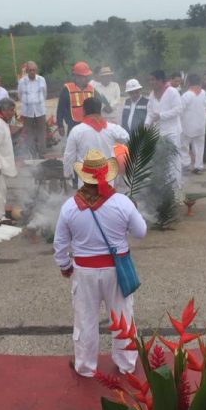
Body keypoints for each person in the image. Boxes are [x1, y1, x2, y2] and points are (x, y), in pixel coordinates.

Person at [53, 148, 147, 377]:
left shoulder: (69, 207)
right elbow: (140, 232)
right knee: (122, 315)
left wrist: (65, 265)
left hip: (84, 270)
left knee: (85, 319)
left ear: (84, 176)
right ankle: (126, 363)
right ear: (106, 176)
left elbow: (60, 243)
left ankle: (85, 366)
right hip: (118, 270)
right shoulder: (122, 203)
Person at [63, 97, 129, 185]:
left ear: (84, 111)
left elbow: (69, 155)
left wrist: (67, 173)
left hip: (86, 180)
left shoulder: (76, 130)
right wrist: (116, 126)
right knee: (108, 198)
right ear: (100, 110)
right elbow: (126, 138)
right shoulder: (111, 128)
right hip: (107, 178)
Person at [145, 70, 183, 190]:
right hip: (158, 132)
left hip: (172, 131)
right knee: (161, 159)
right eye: (150, 80)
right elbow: (150, 112)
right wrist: (147, 124)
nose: (151, 82)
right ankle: (166, 189)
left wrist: (161, 115)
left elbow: (178, 109)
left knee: (174, 159)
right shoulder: (151, 95)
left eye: (153, 80)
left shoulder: (172, 92)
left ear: (161, 81)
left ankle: (177, 189)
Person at [17, 61, 48, 158]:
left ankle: (41, 153)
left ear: (36, 70)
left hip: (40, 111)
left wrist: (38, 102)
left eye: (34, 70)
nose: (32, 72)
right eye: (30, 70)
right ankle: (32, 153)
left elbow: (45, 93)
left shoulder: (42, 79)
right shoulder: (22, 81)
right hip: (27, 111)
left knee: (41, 132)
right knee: (29, 132)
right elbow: (19, 94)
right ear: (26, 71)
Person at [57, 61, 95, 138]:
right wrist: (60, 125)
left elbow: (99, 103)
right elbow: (60, 108)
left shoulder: (91, 89)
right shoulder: (67, 89)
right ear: (77, 76)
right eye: (85, 76)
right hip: (73, 125)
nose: (87, 78)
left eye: (87, 76)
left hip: (89, 125)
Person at [180, 73, 206, 174]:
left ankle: (185, 164)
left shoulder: (186, 95)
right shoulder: (203, 93)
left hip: (187, 125)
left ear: (189, 83)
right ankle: (199, 166)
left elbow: (180, 110)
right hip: (201, 125)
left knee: (184, 145)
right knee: (199, 147)